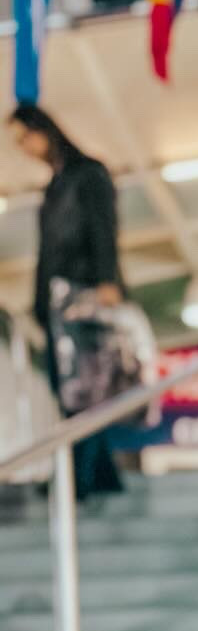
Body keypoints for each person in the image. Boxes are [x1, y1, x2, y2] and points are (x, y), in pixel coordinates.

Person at [9, 101, 127, 500]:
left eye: (24, 138)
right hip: (57, 304)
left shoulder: (87, 174)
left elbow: (104, 229)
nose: (23, 148)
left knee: (84, 389)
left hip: (86, 297)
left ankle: (81, 476)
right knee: (72, 389)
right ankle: (99, 475)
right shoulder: (55, 185)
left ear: (43, 131)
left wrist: (107, 282)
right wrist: (39, 305)